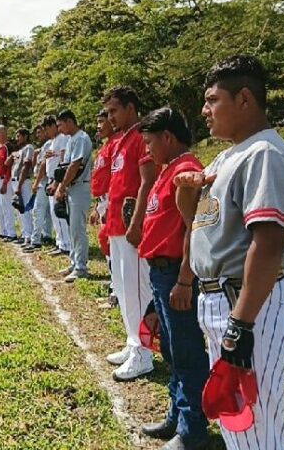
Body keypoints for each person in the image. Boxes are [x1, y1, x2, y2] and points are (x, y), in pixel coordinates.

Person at [175, 55, 284, 449]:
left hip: (247, 304)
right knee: (238, 423)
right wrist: (187, 190)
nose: (205, 110)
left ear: (244, 99)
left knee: (256, 428)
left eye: (213, 100)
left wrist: (240, 324)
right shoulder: (229, 154)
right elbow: (198, 222)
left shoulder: (264, 152)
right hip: (223, 300)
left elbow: (269, 242)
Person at [137, 108, 210, 450]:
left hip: (175, 273)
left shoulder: (185, 171)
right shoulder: (169, 169)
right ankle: (177, 415)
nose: (147, 150)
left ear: (167, 137)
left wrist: (184, 279)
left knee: (186, 350)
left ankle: (193, 428)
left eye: (150, 142)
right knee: (171, 349)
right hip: (160, 272)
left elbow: (194, 227)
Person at [102, 87, 157, 382]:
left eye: (114, 111)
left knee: (137, 290)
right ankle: (132, 340)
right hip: (115, 225)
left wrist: (136, 224)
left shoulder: (141, 137)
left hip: (131, 227)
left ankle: (144, 352)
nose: (110, 117)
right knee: (123, 289)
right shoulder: (120, 140)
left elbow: (147, 181)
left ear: (131, 108)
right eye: (108, 112)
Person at [55, 110, 93, 283]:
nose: (60, 129)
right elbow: (65, 166)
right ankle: (74, 262)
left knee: (78, 229)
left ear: (69, 121)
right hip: (72, 187)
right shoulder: (71, 139)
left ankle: (81, 267)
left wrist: (61, 187)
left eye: (61, 125)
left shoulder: (81, 138)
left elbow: (75, 165)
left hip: (80, 186)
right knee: (72, 228)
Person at [90, 109, 121, 302]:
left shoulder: (117, 144)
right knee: (105, 242)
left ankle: (117, 291)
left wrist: (109, 203)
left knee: (112, 244)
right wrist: (97, 206)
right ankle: (114, 285)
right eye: (98, 122)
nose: (99, 126)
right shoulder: (107, 145)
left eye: (102, 122)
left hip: (112, 200)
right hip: (103, 200)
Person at [43, 115, 72, 257]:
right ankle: (60, 242)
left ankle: (66, 245)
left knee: (59, 213)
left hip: (58, 180)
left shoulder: (63, 138)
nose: (47, 132)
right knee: (54, 215)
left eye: (48, 128)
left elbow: (64, 159)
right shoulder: (53, 141)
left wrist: (58, 183)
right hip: (51, 180)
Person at [25, 124, 54, 253]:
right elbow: (36, 165)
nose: (38, 135)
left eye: (40, 132)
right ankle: (47, 235)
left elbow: (43, 164)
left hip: (44, 180)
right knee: (46, 211)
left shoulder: (49, 144)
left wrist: (36, 183)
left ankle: (35, 240)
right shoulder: (44, 146)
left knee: (38, 210)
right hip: (43, 179)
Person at [0, 125, 17, 241]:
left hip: (3, 179)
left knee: (7, 207)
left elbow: (10, 166)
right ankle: (3, 231)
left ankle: (11, 233)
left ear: (5, 133)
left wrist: (6, 182)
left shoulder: (8, 147)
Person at [11, 128, 36, 247]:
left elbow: (26, 166)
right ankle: (24, 232)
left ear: (25, 136)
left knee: (25, 208)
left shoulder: (29, 148)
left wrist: (19, 185)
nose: (17, 139)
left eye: (19, 136)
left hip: (23, 181)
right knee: (19, 208)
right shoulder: (19, 150)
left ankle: (29, 236)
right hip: (16, 181)